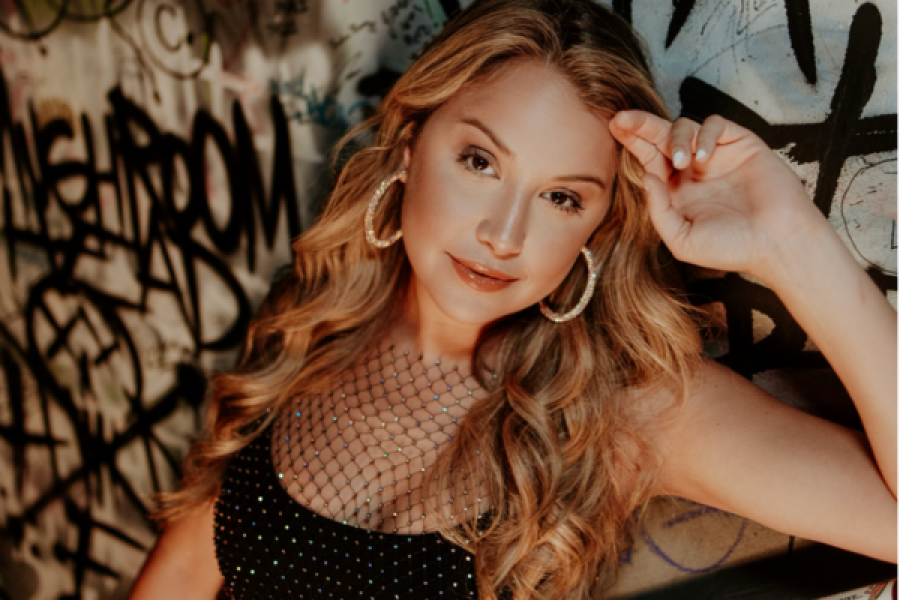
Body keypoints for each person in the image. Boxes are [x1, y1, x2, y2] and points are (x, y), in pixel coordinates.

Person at [128, 0, 897, 598]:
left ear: (597, 229)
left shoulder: (628, 407)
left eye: (562, 198)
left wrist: (793, 243)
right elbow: (179, 582)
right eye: (478, 161)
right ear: (408, 149)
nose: (504, 233)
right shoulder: (311, 323)